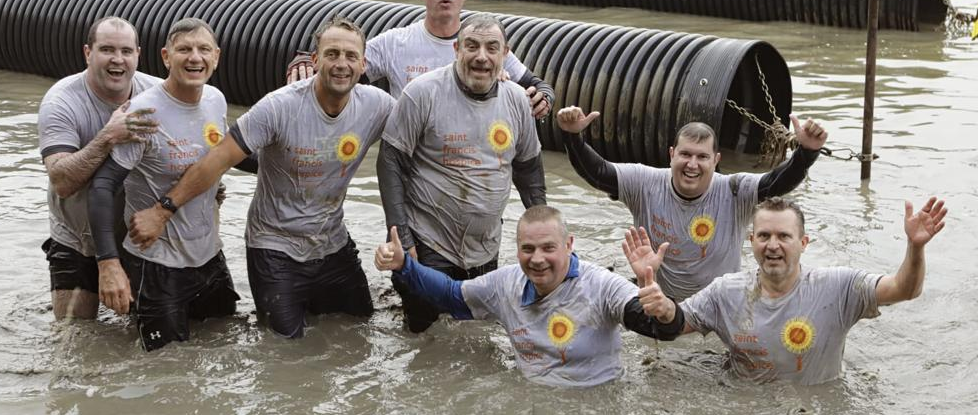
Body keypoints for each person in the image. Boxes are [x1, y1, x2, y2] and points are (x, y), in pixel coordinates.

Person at [128, 17, 395, 338]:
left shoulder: (377, 106)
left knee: (360, 335)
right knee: (285, 351)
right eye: (332, 54)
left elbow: (419, 134)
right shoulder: (279, 107)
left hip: (333, 246)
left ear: (363, 64)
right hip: (274, 251)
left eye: (351, 56)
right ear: (314, 60)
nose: (341, 64)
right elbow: (218, 158)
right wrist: (162, 211)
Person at [632, 196, 948, 385]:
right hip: (743, 398)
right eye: (765, 236)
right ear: (752, 241)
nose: (773, 245)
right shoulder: (726, 291)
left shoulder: (837, 287)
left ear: (803, 243)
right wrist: (658, 299)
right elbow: (675, 325)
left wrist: (915, 247)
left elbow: (903, 290)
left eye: (784, 236)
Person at [374, 205, 684, 387]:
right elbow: (452, 296)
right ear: (518, 248)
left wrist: (664, 309)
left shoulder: (601, 285)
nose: (537, 259)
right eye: (528, 249)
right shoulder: (505, 284)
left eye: (548, 248)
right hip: (530, 394)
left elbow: (653, 324)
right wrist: (405, 265)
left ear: (569, 244)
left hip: (598, 396)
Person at [378, 13, 546, 333]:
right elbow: (390, 162)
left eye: (491, 48)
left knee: (476, 336)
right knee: (424, 339)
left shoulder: (517, 102)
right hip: (428, 244)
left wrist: (545, 234)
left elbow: (529, 171)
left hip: (485, 247)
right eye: (472, 46)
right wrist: (399, 232)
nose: (481, 56)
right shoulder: (423, 92)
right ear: (456, 49)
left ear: (504, 55)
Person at [556, 106, 828, 301]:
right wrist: (572, 137)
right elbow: (599, 174)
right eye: (685, 154)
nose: (692, 165)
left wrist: (807, 152)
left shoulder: (733, 189)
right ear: (672, 154)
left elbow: (776, 184)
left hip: (719, 305)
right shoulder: (645, 182)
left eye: (702, 157)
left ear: (716, 160)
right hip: (664, 302)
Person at [87, 18, 239, 351]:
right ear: (166, 57)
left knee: (224, 348)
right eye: (184, 49)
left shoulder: (215, 100)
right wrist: (108, 264)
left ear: (216, 57)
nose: (194, 58)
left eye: (203, 50)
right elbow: (102, 187)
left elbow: (223, 158)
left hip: (209, 259)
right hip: (156, 266)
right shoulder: (144, 113)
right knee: (164, 366)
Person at [287, 0, 553, 119]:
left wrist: (544, 98)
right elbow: (341, 68)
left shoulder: (483, 50)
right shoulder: (395, 43)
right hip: (411, 161)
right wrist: (304, 59)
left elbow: (538, 85)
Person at [37, 16, 159, 319]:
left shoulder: (157, 94)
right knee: (75, 337)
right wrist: (107, 136)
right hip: (77, 238)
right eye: (107, 50)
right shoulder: (61, 101)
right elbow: (62, 181)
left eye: (126, 51)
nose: (117, 60)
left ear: (138, 56)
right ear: (87, 53)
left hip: (137, 235)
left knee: (147, 337)